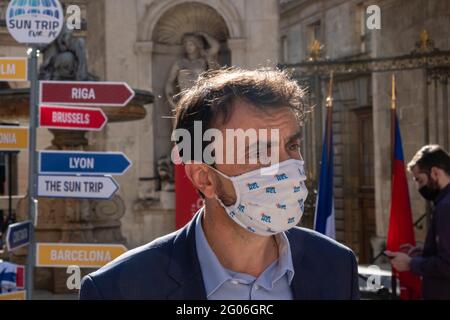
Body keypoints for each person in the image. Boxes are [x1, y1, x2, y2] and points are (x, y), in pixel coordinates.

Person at [80, 68, 360, 300]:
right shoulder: (118, 289)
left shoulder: (336, 266)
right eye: (261, 152)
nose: (287, 166)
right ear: (205, 177)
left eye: (292, 145)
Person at [386, 145, 450, 299]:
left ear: (435, 173)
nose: (418, 187)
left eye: (420, 180)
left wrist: (410, 263)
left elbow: (447, 264)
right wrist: (421, 253)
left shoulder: (446, 206)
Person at [165, 32, 220, 108]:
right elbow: (170, 81)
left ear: (197, 45)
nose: (188, 47)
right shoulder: (180, 62)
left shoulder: (203, 60)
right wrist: (170, 97)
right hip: (185, 97)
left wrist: (205, 35)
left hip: (200, 97)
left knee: (198, 119)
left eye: (191, 44)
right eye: (186, 44)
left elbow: (215, 47)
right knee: (187, 118)